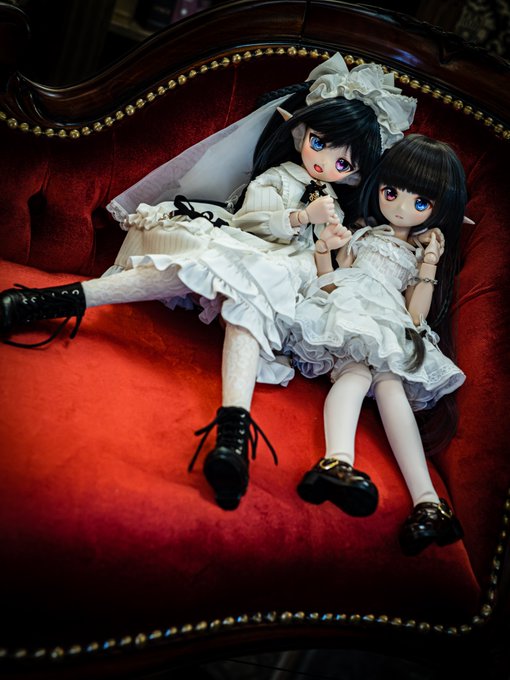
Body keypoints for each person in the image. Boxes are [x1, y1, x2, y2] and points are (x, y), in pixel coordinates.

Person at [0, 54, 416, 511]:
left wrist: (328, 240)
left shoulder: (335, 201)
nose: (325, 162)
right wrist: (300, 217)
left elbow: (320, 256)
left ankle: (231, 438)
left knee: (250, 308)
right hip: (248, 246)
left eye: (343, 161)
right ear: (300, 134)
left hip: (286, 272)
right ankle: (52, 301)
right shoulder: (279, 177)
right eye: (320, 143)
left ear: (354, 173)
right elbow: (250, 219)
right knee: (195, 267)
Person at [286, 134, 467, 555]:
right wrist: (323, 249)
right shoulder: (364, 234)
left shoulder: (417, 255)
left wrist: (429, 263)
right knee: (356, 372)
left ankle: (428, 505)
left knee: (389, 382)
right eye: (391, 192)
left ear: (440, 210)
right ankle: (337, 462)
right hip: (351, 306)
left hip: (389, 321)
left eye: (420, 202)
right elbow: (334, 274)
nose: (401, 207)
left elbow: (416, 316)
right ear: (378, 187)